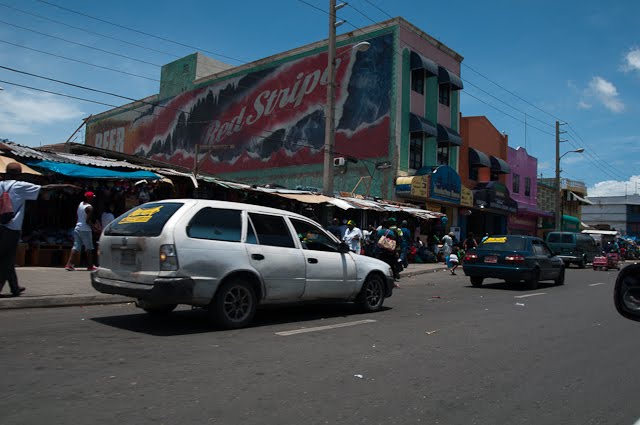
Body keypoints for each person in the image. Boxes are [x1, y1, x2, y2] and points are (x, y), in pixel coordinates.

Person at [0, 162, 80, 296]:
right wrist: (65, 185)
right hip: (11, 228)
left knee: (7, 257)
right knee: (6, 259)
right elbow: (45, 188)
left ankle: (14, 287)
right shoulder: (20, 186)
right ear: (19, 174)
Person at [65, 191, 98, 271]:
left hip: (78, 228)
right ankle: (90, 266)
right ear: (89, 198)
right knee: (89, 248)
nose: (93, 198)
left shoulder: (80, 204)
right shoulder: (90, 208)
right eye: (92, 197)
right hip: (85, 230)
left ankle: (69, 265)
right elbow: (87, 221)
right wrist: (95, 228)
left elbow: (77, 217)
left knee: (76, 247)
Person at [375, 219, 401, 284]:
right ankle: (392, 277)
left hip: (380, 251)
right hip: (389, 252)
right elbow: (394, 242)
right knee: (391, 264)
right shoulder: (391, 232)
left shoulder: (379, 232)